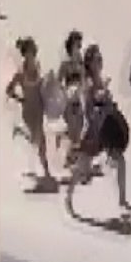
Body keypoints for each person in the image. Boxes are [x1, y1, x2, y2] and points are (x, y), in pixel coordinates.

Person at [66, 44, 131, 216]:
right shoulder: (88, 83)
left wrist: (108, 103)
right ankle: (69, 197)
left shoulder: (100, 81)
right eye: (97, 59)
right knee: (82, 171)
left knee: (121, 161)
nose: (100, 61)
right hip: (95, 133)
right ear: (90, 63)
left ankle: (122, 199)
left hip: (105, 129)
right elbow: (89, 107)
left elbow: (105, 102)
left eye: (100, 58)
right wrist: (100, 98)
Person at [4, 37, 54, 187]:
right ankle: (46, 173)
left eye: (33, 52)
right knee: (39, 141)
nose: (31, 55)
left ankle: (44, 173)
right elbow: (9, 90)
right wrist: (20, 99)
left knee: (38, 141)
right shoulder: (21, 73)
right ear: (25, 53)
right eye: (28, 52)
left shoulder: (38, 68)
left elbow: (43, 86)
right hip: (29, 110)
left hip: (39, 108)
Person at [56, 30, 85, 166]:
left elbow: (84, 82)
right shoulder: (65, 65)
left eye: (79, 46)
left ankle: (73, 157)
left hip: (78, 100)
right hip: (68, 101)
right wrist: (65, 93)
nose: (78, 49)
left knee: (78, 129)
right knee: (74, 129)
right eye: (76, 46)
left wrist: (79, 91)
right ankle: (71, 158)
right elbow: (58, 83)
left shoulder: (81, 66)